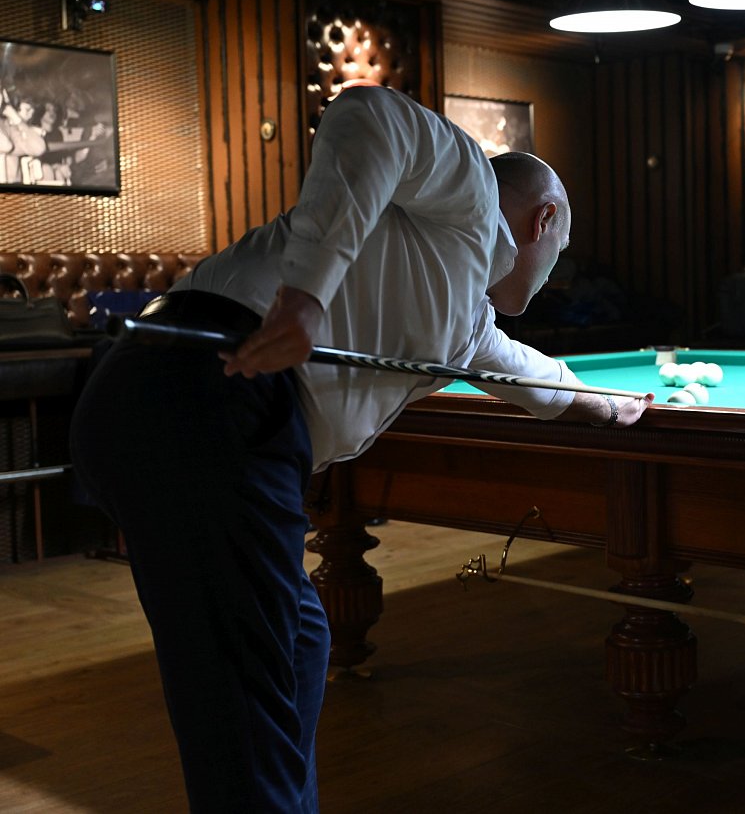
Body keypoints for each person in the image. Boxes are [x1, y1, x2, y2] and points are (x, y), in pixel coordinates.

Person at [69, 82, 652, 813]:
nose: (552, 269)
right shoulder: (469, 186)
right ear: (546, 219)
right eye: (558, 252)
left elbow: (536, 379)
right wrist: (307, 296)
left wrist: (612, 405)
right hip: (201, 395)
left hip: (188, 412)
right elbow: (366, 114)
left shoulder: (466, 319)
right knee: (253, 688)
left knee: (298, 640)